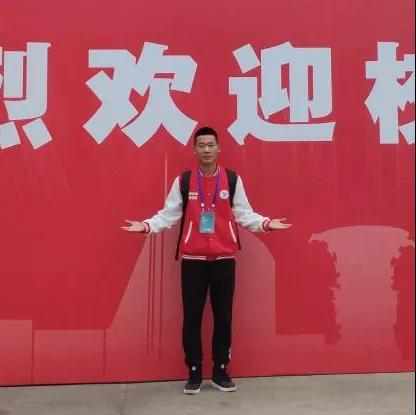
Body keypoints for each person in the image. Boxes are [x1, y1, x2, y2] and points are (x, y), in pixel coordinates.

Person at [121, 126, 292, 395]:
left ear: (219, 149)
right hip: (193, 261)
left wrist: (266, 223)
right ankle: (194, 372)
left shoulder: (232, 180)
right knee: (192, 317)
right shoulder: (184, 181)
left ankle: (221, 371)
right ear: (194, 150)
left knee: (223, 317)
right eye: (201, 146)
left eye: (211, 145)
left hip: (224, 260)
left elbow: (244, 214)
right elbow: (168, 214)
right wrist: (145, 226)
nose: (206, 150)